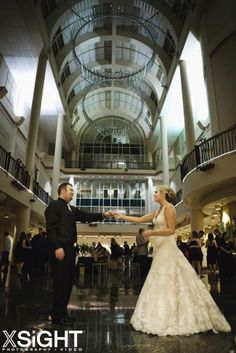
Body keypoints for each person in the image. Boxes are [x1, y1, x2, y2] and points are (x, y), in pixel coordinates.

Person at [113, 185, 231, 335]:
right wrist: (121, 217)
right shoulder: (158, 211)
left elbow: (171, 230)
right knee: (158, 280)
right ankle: (159, 313)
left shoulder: (170, 208)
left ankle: (177, 316)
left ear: (163, 194)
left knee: (170, 278)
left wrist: (152, 232)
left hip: (168, 249)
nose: (154, 194)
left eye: (156, 192)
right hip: (160, 250)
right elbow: (140, 219)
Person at [45, 182, 112, 326]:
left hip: (70, 250)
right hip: (61, 248)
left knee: (68, 283)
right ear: (62, 190)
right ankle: (56, 315)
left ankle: (62, 313)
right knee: (60, 283)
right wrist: (57, 247)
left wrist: (102, 215)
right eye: (71, 190)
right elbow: (51, 229)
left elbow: (86, 215)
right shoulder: (54, 206)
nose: (72, 193)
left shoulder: (70, 208)